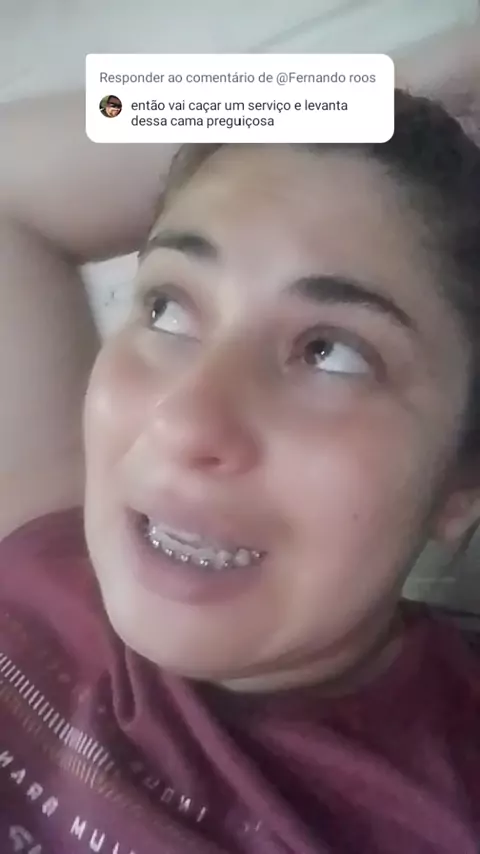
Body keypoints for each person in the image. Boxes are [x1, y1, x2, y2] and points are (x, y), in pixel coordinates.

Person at [1, 63, 480, 854]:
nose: (182, 420)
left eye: (331, 353)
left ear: (461, 484)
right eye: (166, 307)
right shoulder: (41, 529)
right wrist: (365, 94)